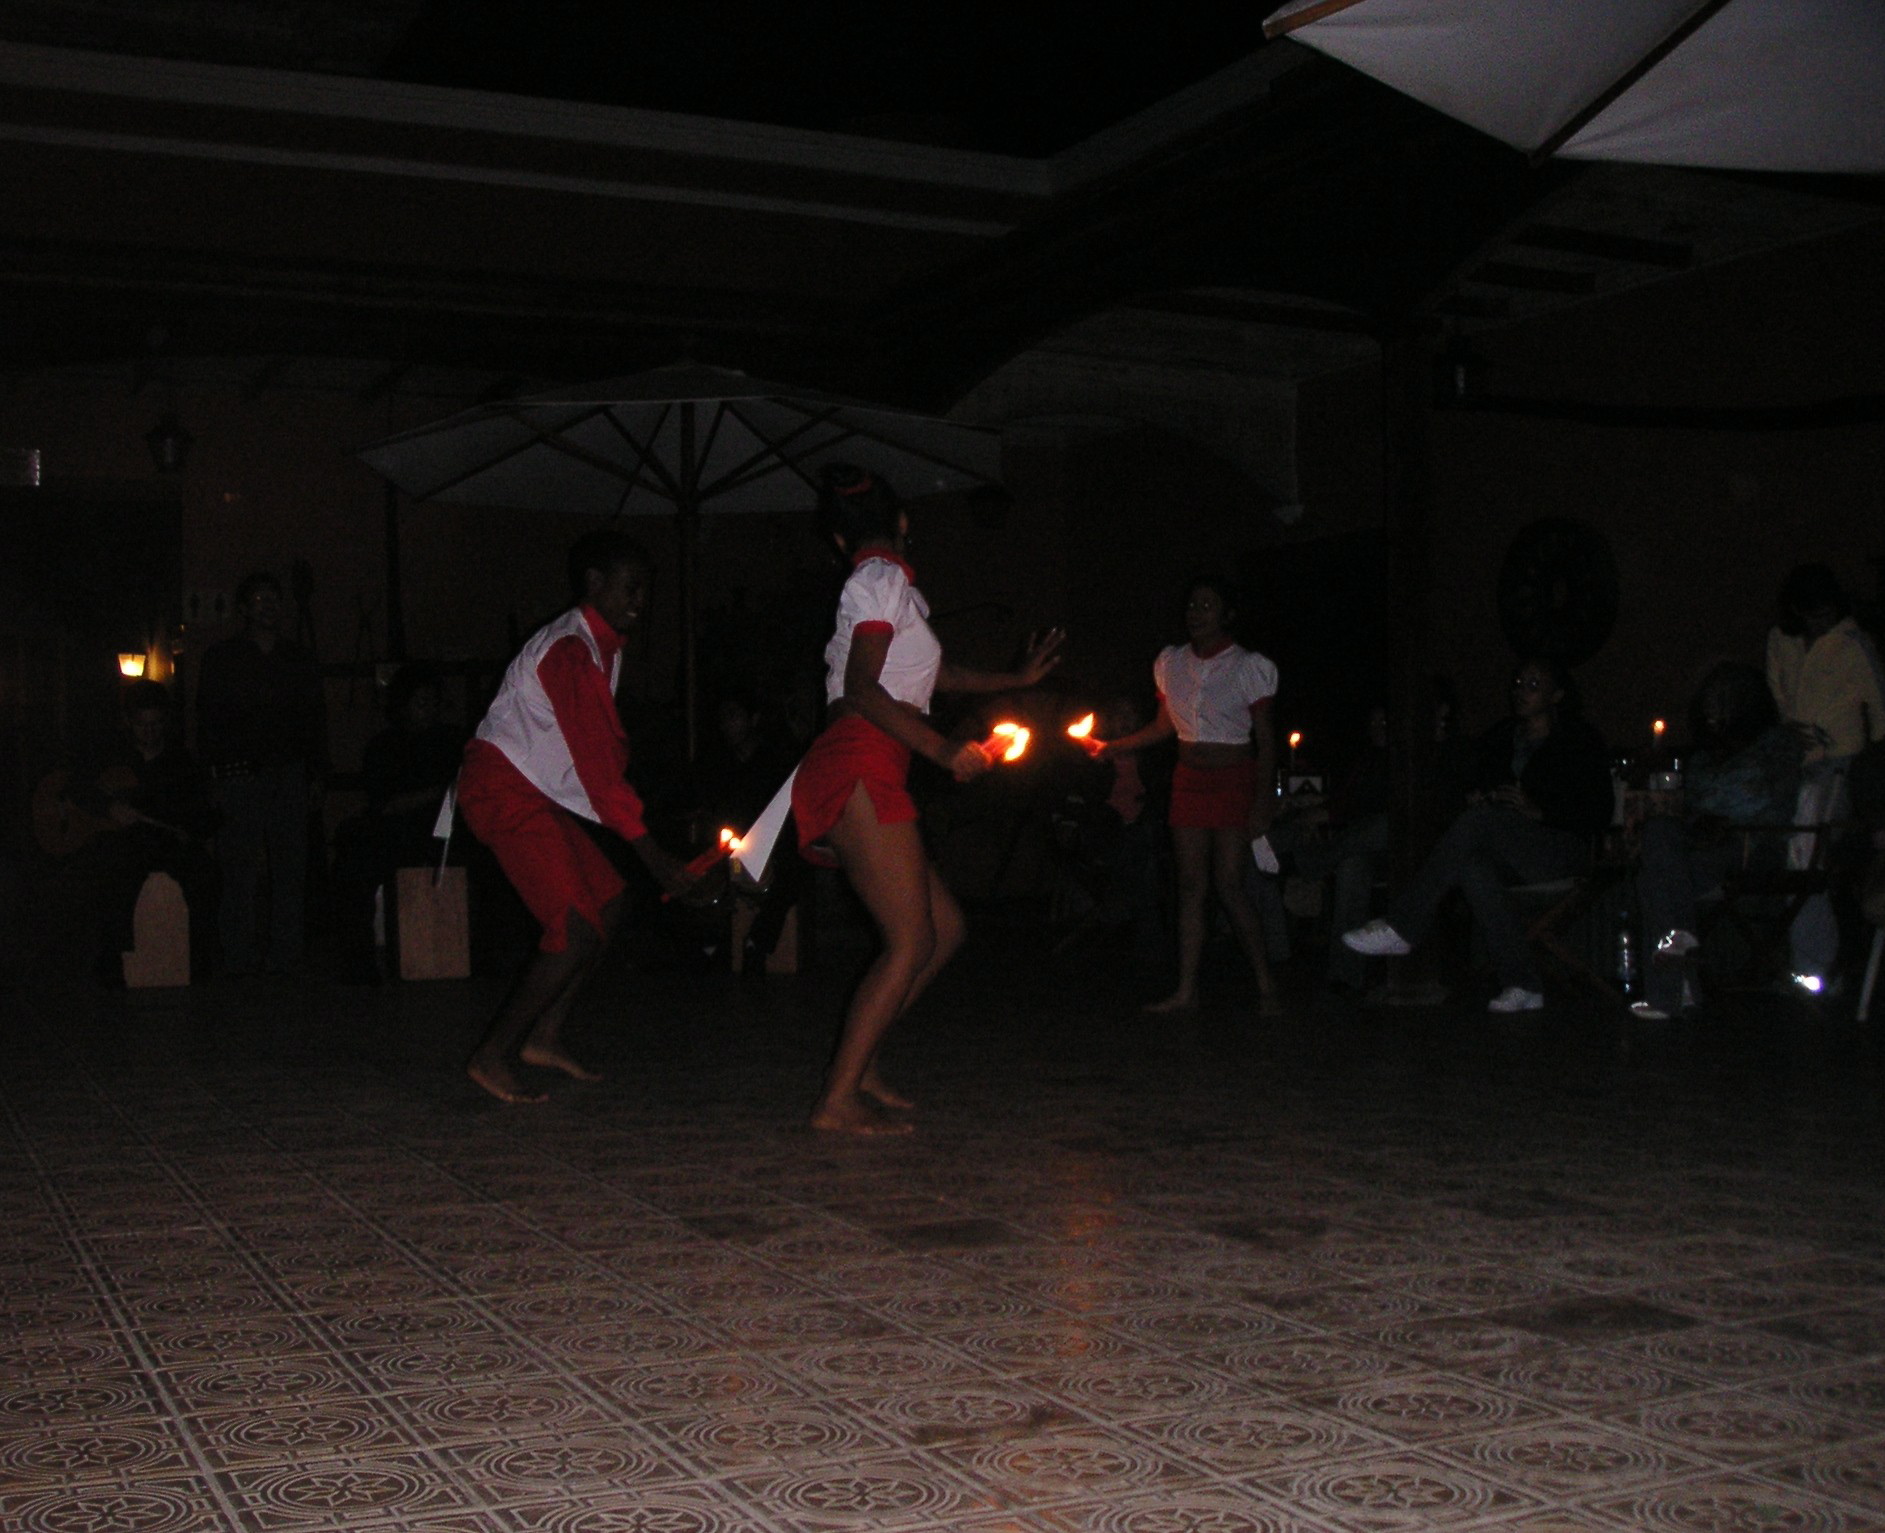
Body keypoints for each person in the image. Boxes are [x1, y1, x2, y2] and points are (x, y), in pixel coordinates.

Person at [792, 463, 1062, 1135]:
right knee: (910, 940)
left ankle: (864, 1064)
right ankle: (836, 1099)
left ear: (834, 537)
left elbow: (932, 674)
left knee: (942, 932)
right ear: (904, 522)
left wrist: (1013, 677)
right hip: (859, 761)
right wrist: (943, 751)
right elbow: (861, 688)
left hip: (871, 760)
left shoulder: (889, 591)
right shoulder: (880, 580)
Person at [455, 531, 709, 1104]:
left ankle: (544, 1035)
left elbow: (600, 758)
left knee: (609, 902)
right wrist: (654, 854)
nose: (640, 601)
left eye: (646, 590)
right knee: (570, 927)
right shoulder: (572, 649)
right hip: (502, 788)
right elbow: (598, 769)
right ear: (594, 584)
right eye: (629, 588)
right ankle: (490, 1054)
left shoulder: (600, 647)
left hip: (533, 791)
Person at [1343, 655, 1612, 1013]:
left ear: (1557, 695)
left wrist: (1540, 810)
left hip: (1559, 848)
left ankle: (1404, 925)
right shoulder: (1501, 737)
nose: (1521, 692)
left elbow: (1598, 810)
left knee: (1481, 822)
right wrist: (1479, 794)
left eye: (1533, 685)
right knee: (1472, 866)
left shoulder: (1579, 741)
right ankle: (1524, 984)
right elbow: (1468, 779)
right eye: (1518, 684)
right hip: (1508, 848)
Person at [1097, 577, 1281, 1015]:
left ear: (1226, 614)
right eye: (1193, 604)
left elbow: (1267, 742)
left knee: (1230, 886)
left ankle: (1266, 983)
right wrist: (1116, 746)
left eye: (1207, 605)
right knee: (1191, 886)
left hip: (1234, 778)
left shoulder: (1248, 666)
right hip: (1189, 781)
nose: (1196, 612)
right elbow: (1165, 726)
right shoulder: (1171, 662)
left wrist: (1262, 801)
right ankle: (1185, 991)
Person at [1631, 661, 1803, 1018]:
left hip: (1753, 847)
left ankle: (1675, 990)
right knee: (1660, 839)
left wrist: (1715, 816)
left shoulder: (1776, 744)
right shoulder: (1705, 756)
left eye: (1723, 700)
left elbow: (1764, 799)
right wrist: (1697, 820)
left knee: (1658, 878)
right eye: (1708, 700)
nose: (1712, 709)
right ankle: (1680, 989)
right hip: (1703, 850)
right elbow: (1692, 803)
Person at [195, 571, 325, 977]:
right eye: (259, 600)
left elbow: (314, 718)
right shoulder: (222, 658)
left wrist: (317, 771)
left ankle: (285, 954)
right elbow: (207, 720)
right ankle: (238, 955)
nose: (268, 606)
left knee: (290, 871)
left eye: (273, 599)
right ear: (242, 609)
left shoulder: (298, 659)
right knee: (239, 871)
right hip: (239, 776)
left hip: (288, 774)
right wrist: (212, 776)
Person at [1765, 563, 1885, 989]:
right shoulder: (1782, 641)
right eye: (1810, 615)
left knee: (1808, 844)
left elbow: (1879, 705)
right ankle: (1807, 957)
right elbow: (1778, 693)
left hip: (1841, 763)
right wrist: (1787, 730)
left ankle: (1812, 964)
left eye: (1824, 614)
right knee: (1788, 843)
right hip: (1794, 762)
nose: (1818, 623)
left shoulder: (1853, 643)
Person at [66, 680, 219, 983]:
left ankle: (198, 965)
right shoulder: (110, 756)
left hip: (164, 842)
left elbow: (202, 813)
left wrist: (191, 827)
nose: (149, 732)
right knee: (109, 872)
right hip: (122, 842)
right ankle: (110, 967)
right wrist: (109, 809)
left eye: (156, 724)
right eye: (141, 724)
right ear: (128, 722)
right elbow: (75, 786)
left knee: (205, 874)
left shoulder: (181, 762)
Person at [330, 664, 465, 982]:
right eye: (420, 703)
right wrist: (439, 791)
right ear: (402, 707)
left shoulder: (451, 741)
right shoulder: (384, 747)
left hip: (447, 831)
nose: (428, 710)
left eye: (433, 702)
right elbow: (385, 805)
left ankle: (477, 948)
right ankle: (360, 961)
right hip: (397, 832)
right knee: (355, 855)